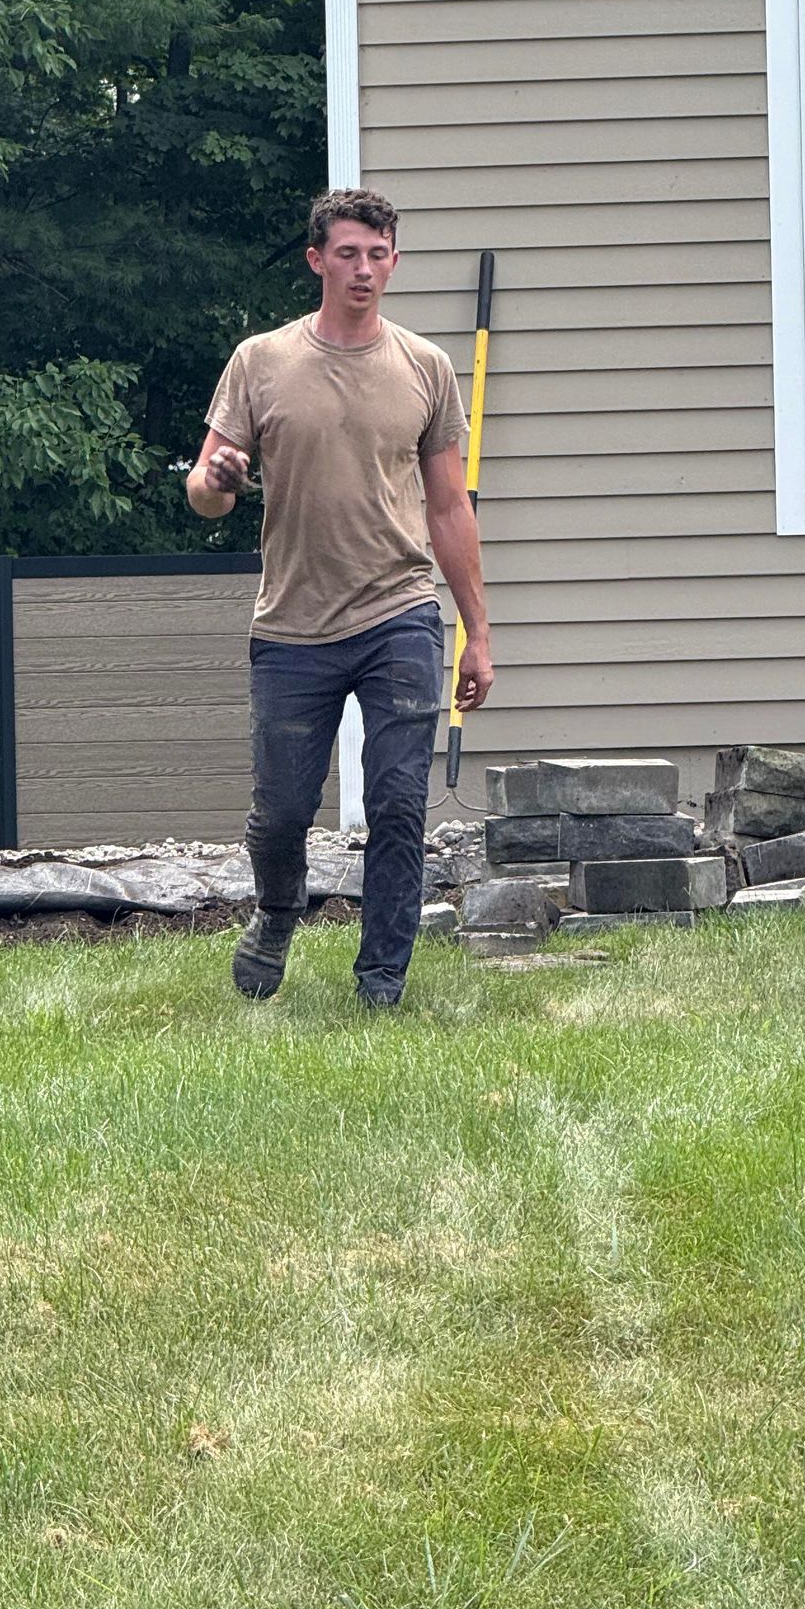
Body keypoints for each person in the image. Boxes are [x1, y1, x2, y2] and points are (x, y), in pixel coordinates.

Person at [187, 187, 493, 1006]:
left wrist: (478, 634)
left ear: (395, 261)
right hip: (291, 624)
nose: (364, 268)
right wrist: (216, 480)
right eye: (348, 253)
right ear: (317, 260)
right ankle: (278, 912)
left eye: (378, 253)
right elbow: (205, 488)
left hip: (400, 613)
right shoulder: (262, 361)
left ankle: (382, 980)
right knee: (282, 814)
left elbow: (449, 506)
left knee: (397, 804)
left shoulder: (425, 367)